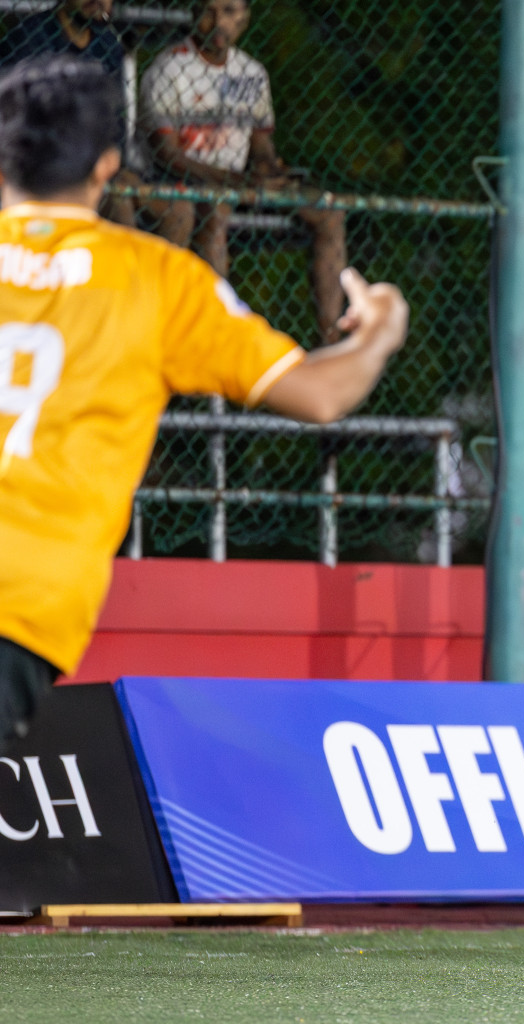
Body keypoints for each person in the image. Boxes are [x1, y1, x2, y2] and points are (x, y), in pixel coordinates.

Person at [0, 55, 409, 750]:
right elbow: (319, 394)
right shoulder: (154, 278)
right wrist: (378, 333)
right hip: (24, 600)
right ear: (105, 166)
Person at [140, 0, 347, 342]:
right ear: (195, 14)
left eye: (230, 11)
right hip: (190, 182)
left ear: (245, 18)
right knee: (216, 210)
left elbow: (262, 145)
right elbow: (168, 155)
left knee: (329, 211)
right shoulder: (169, 69)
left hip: (242, 183)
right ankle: (214, 333)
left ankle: (330, 338)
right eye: (210, 11)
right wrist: (236, 180)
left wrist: (269, 169)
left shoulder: (252, 73)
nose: (219, 21)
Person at [0, 0, 172, 230]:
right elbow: (15, 121)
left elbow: (115, 120)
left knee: (177, 210)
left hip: (96, 161)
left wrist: (116, 165)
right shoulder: (30, 37)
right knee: (119, 204)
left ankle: (147, 265)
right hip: (45, 162)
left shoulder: (107, 43)